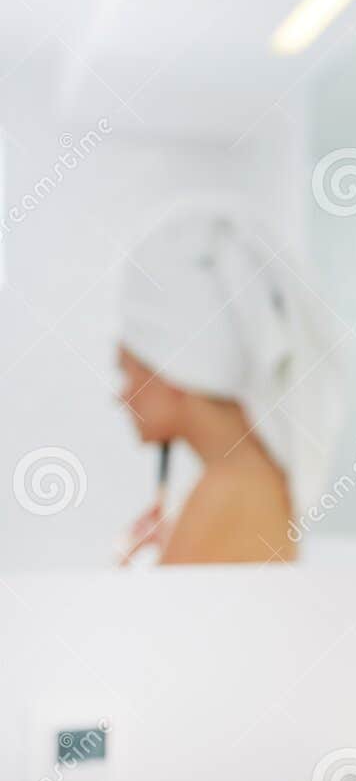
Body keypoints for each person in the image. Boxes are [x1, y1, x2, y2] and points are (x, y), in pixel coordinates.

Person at [116, 205, 342, 564]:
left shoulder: (230, 493)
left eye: (128, 371)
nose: (122, 396)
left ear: (175, 370)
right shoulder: (247, 480)